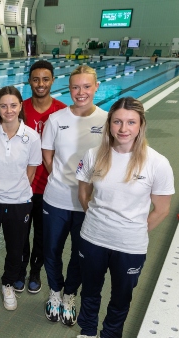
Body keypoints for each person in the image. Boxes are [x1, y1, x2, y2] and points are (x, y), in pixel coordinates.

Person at [76, 97, 174, 338]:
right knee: (89, 291)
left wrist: (134, 230)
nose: (123, 129)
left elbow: (162, 209)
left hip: (130, 245)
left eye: (131, 122)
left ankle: (110, 334)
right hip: (92, 239)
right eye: (118, 122)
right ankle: (88, 332)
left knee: (121, 298)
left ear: (141, 125)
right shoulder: (93, 155)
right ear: (109, 124)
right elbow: (83, 193)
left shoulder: (157, 163)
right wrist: (98, 220)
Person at [41, 65, 108, 326]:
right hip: (56, 198)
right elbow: (47, 155)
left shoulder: (106, 120)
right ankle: (55, 292)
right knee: (52, 250)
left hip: (88, 203)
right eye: (75, 87)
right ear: (69, 89)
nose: (81, 92)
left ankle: (70, 294)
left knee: (80, 254)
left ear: (96, 86)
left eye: (86, 86)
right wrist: (62, 177)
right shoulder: (56, 119)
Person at [0, 86, 42, 310]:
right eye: (4, 105)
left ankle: (8, 283)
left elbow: (31, 172)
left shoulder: (31, 137)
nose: (9, 110)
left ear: (21, 106)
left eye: (13, 105)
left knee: (16, 247)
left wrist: (14, 189)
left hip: (18, 201)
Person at [15, 60, 67, 294]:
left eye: (45, 79)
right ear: (30, 81)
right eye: (36, 79)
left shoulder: (62, 111)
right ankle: (19, 269)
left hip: (50, 188)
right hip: (24, 185)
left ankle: (35, 271)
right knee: (21, 233)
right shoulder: (20, 109)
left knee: (43, 235)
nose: (40, 84)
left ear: (53, 81)